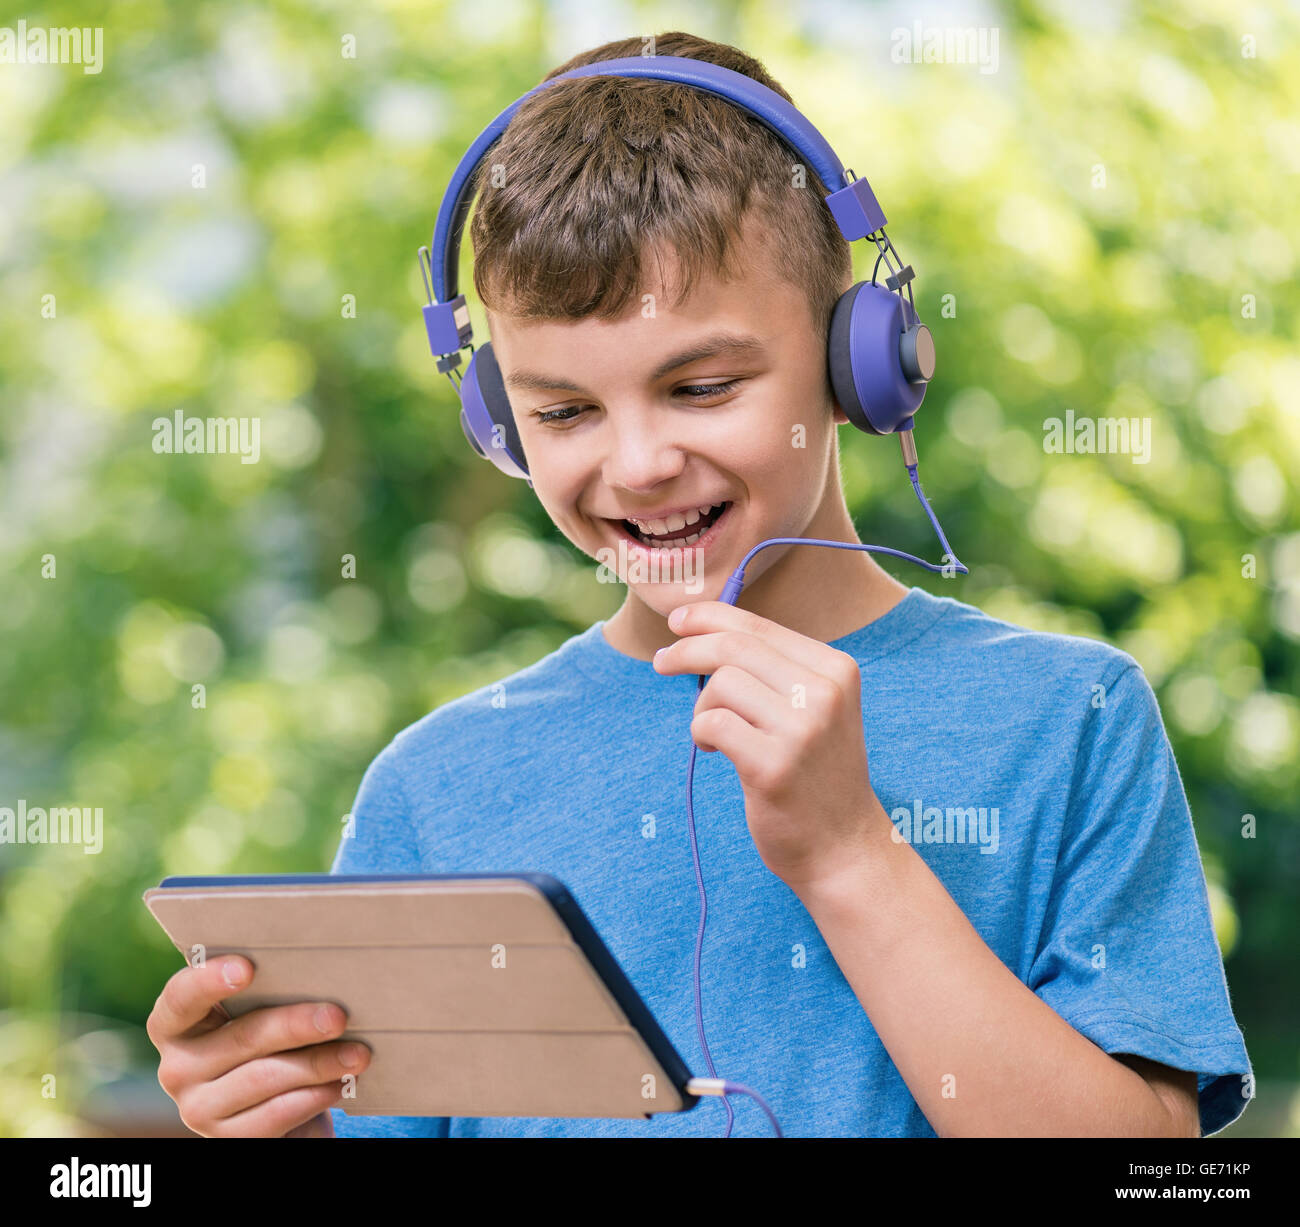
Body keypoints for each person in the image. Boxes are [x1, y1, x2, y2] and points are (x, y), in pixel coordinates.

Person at [146, 31, 1251, 1139]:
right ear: (498, 422)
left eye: (702, 386)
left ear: (854, 363)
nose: (634, 465)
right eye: (564, 412)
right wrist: (276, 1124)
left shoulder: (1070, 721)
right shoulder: (434, 787)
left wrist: (850, 855)